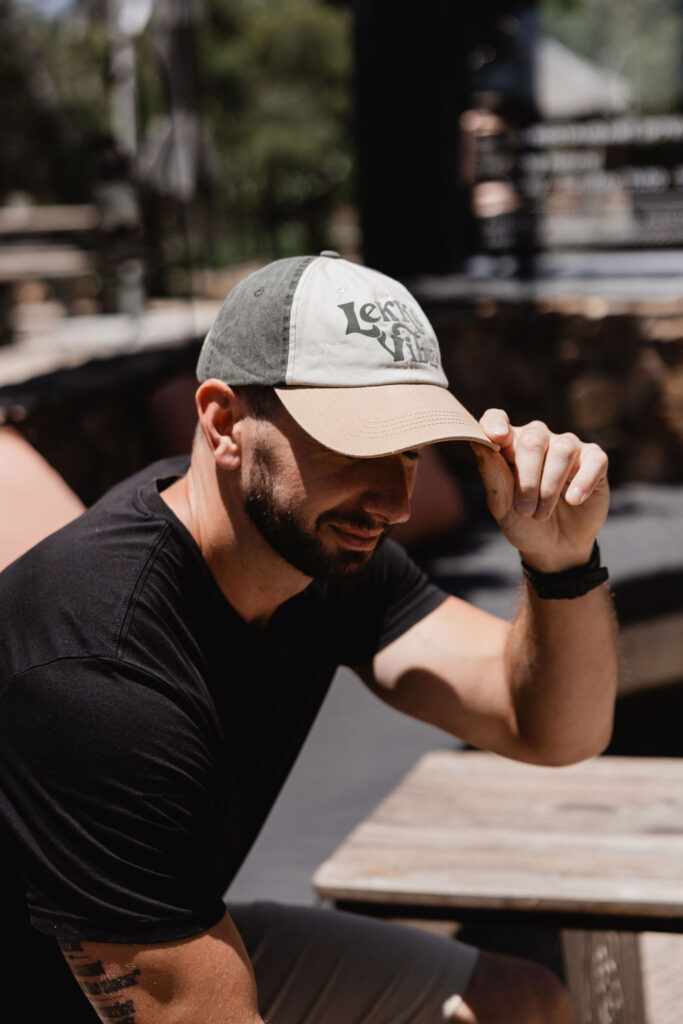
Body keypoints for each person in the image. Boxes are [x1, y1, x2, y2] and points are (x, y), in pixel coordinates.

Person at [0, 252, 617, 1024]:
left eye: (408, 449)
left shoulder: (319, 554)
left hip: (150, 944)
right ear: (223, 421)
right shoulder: (102, 674)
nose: (394, 501)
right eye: (355, 444)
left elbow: (550, 727)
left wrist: (560, 563)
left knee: (516, 1004)